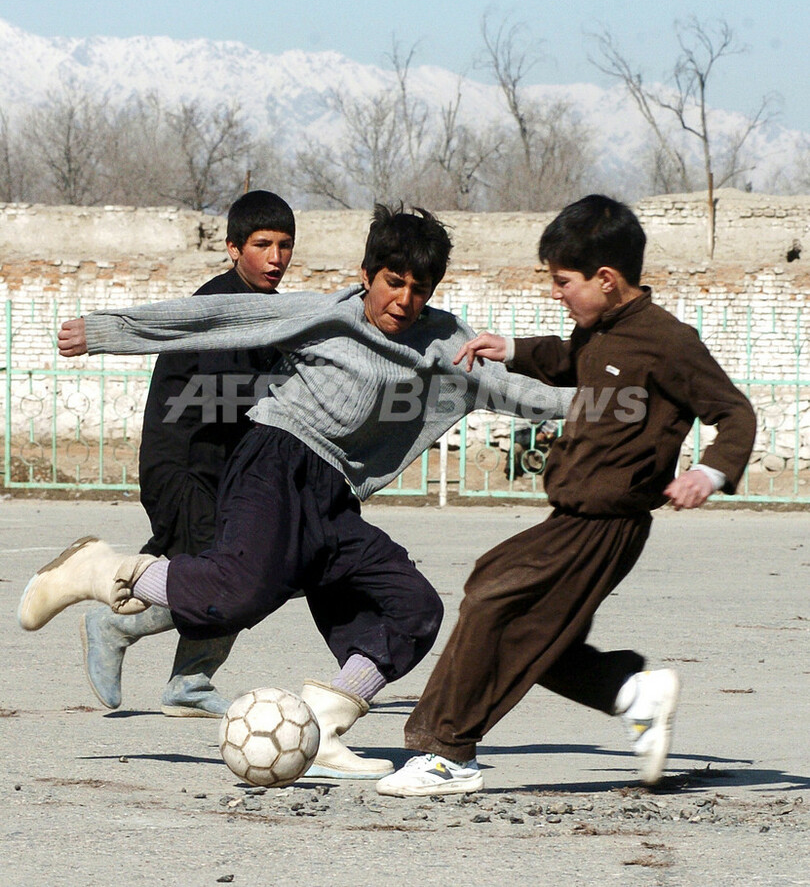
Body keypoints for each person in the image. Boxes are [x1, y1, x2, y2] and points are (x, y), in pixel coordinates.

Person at [19, 203, 575, 781]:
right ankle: (100, 571)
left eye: (419, 287)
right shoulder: (323, 315)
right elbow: (215, 318)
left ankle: (324, 725)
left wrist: (618, 403)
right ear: (366, 275)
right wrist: (110, 331)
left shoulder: (444, 339)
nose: (404, 300)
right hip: (275, 462)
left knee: (414, 610)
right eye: (393, 282)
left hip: (333, 496)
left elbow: (517, 393)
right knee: (236, 595)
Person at [376, 194, 757, 797]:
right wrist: (515, 351)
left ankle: (447, 754)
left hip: (607, 524)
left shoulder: (669, 343)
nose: (557, 292)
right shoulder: (598, 330)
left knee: (494, 599)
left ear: (605, 280)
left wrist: (708, 475)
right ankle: (630, 692)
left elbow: (734, 414)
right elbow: (567, 359)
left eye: (563, 281)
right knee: (537, 635)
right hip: (572, 517)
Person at [81, 189, 295, 719]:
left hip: (223, 471)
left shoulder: (270, 311)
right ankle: (115, 625)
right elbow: (228, 394)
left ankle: (189, 681)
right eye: (262, 244)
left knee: (240, 573)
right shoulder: (214, 307)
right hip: (181, 466)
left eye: (284, 245)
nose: (275, 258)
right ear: (232, 248)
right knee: (229, 582)